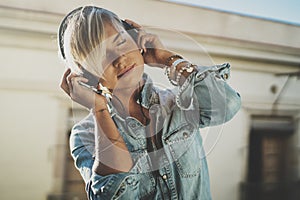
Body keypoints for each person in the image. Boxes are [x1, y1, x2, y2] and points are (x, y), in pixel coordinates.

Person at [58, 5, 241, 200]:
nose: (120, 59)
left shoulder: (178, 102)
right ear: (84, 76)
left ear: (136, 39)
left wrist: (167, 59)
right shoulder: (85, 135)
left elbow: (227, 104)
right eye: (101, 56)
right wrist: (99, 108)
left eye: (121, 42)